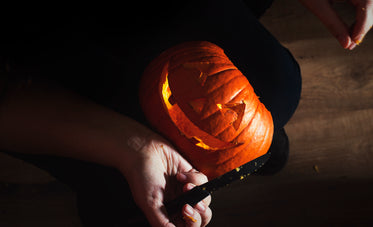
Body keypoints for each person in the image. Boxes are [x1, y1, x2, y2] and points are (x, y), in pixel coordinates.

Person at [0, 0, 371, 226]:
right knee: (126, 199)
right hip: (49, 73)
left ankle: (258, 153)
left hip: (168, 11)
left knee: (280, 86)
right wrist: (131, 148)